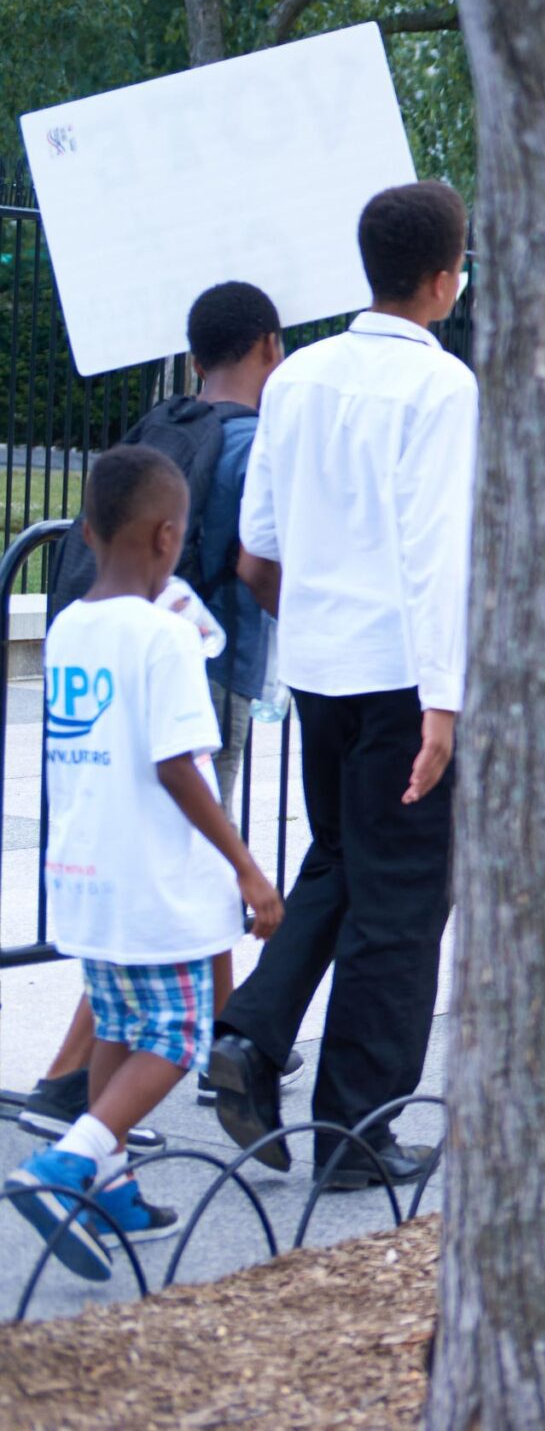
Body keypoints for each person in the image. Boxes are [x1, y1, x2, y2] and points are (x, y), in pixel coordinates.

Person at [206, 181, 474, 1192]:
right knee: (399, 903)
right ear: (447, 277)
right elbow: (439, 554)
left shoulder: (299, 376)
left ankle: (254, 1033)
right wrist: (443, 708)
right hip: (406, 671)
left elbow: (257, 554)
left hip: (318, 665)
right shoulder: (444, 388)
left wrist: (316, 617)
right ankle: (356, 1133)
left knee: (346, 863)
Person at [20, 283, 294, 1139]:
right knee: (186, 865)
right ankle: (82, 1092)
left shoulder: (160, 426)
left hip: (129, 691)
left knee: (186, 879)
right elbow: (260, 559)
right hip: (197, 668)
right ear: (269, 346)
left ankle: (223, 1042)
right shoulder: (251, 443)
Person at [11, 447, 283, 1280]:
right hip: (153, 881)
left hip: (86, 873)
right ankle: (71, 1160)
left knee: (120, 1024)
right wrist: (245, 865)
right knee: (178, 1031)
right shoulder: (164, 638)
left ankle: (112, 1179)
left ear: (86, 531)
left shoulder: (71, 626)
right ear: (171, 534)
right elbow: (177, 764)